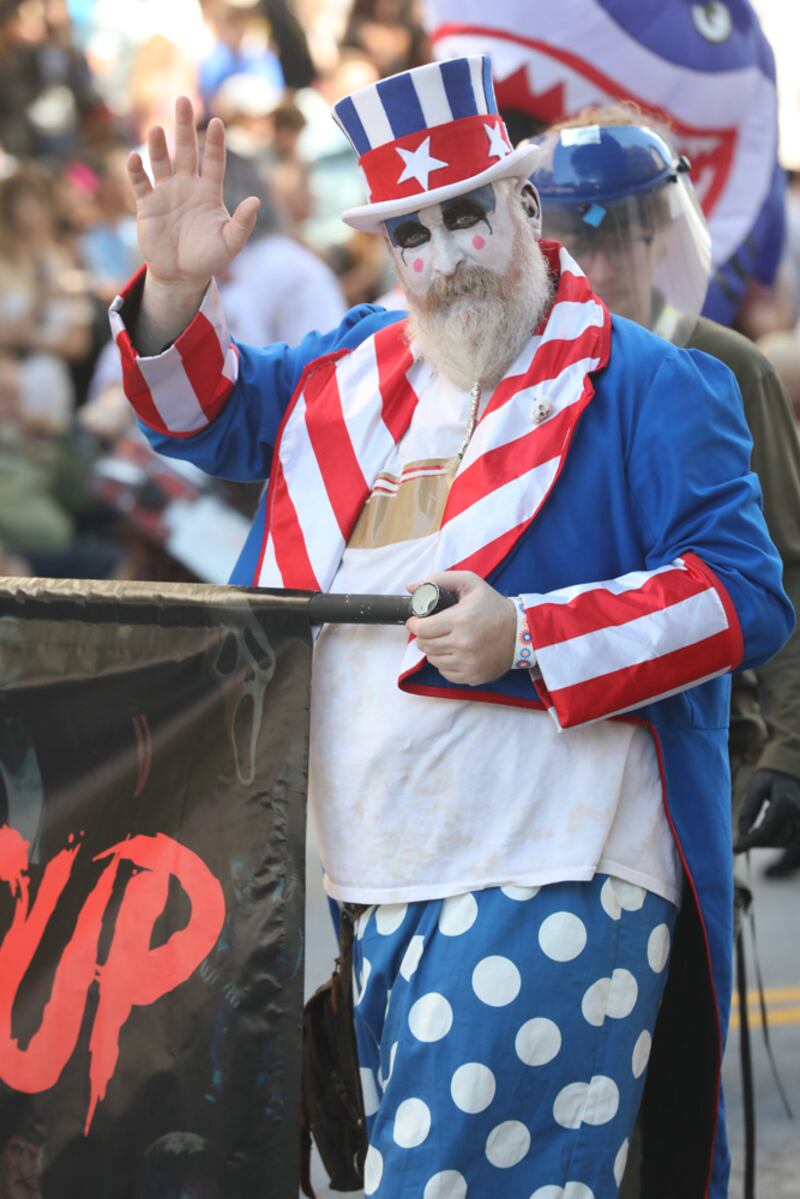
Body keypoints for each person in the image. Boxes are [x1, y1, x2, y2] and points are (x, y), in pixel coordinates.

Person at [110, 60, 793, 1198]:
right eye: (412, 232)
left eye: (467, 211)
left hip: (558, 866)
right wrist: (175, 295)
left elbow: (743, 593)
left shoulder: (653, 383)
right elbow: (208, 416)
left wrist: (527, 632)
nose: (447, 254)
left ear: (526, 204)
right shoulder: (353, 368)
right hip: (374, 876)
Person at [529, 114, 800, 891]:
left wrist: (789, 746)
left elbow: (784, 565)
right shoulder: (519, 371)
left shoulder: (722, 363)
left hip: (700, 731)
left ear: (660, 235)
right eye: (581, 245)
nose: (604, 267)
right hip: (554, 738)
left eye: (626, 240)